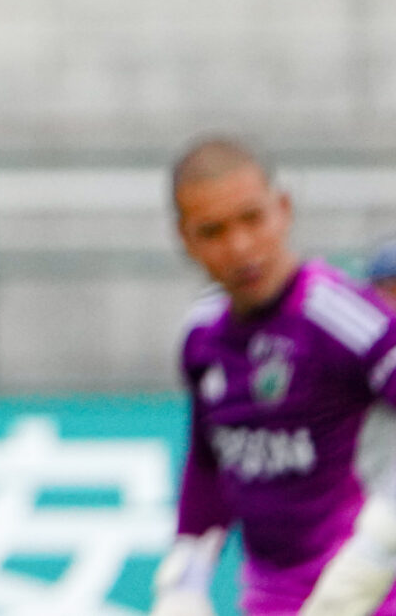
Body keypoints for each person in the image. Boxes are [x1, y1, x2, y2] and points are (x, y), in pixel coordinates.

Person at [153, 137, 396, 616]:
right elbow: (211, 462)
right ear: (185, 239)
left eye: (252, 219)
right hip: (272, 600)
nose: (240, 246)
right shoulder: (202, 334)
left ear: (282, 209)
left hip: (373, 596)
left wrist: (378, 547)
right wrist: (186, 577)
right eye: (213, 231)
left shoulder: (344, 320)